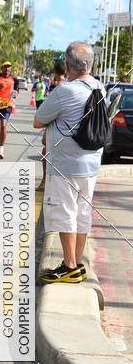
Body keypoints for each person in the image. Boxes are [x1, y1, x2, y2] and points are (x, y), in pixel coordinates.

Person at [33, 41, 104, 283]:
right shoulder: (99, 87)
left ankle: (69, 266)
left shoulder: (65, 91)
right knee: (83, 213)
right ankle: (78, 263)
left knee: (66, 213)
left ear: (67, 65)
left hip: (66, 165)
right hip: (91, 165)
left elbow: (38, 120)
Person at [37, 60, 67, 191]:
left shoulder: (57, 88)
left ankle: (44, 181)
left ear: (55, 71)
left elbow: (47, 111)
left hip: (55, 123)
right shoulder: (68, 85)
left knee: (45, 148)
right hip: (67, 125)